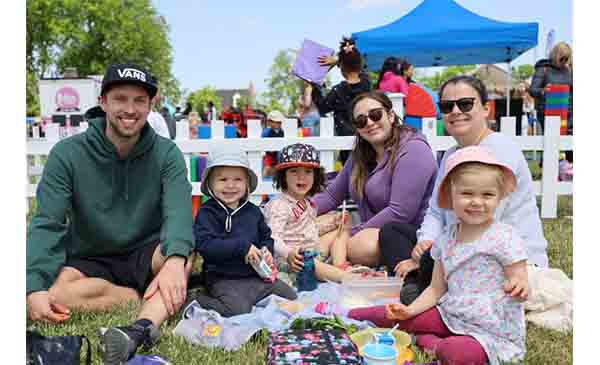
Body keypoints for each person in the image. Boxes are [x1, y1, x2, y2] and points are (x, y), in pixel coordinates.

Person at [26, 63, 195, 363]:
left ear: (150, 105)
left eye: (139, 100)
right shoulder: (67, 154)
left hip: (147, 249)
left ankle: (140, 328)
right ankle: (132, 297)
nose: (130, 109)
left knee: (182, 258)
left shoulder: (167, 154)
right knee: (56, 297)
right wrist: (33, 287)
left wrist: (175, 261)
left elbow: (179, 214)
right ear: (102, 102)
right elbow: (47, 223)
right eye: (120, 98)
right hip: (91, 255)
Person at [317, 146, 529, 365]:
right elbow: (436, 289)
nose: (477, 202)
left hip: (489, 329)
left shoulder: (505, 236)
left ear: (498, 197)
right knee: (400, 317)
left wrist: (519, 285)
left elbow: (519, 276)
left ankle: (430, 343)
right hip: (450, 314)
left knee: (458, 353)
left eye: (487, 195)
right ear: (451, 196)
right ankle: (349, 313)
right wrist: (410, 310)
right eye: (467, 193)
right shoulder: (446, 238)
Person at [395, 75, 549, 305]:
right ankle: (420, 279)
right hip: (455, 242)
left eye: (465, 104)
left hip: (503, 257)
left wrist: (433, 253)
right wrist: (425, 242)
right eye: (447, 106)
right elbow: (436, 211)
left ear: (486, 109)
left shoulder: (499, 150)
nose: (456, 111)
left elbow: (481, 222)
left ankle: (421, 285)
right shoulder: (451, 154)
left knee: (426, 263)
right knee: (391, 232)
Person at [311, 91, 438, 271]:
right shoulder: (360, 155)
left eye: (375, 115)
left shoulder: (413, 150)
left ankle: (324, 263)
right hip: (374, 231)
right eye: (361, 121)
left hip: (409, 236)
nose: (370, 123)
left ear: (391, 115)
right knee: (321, 221)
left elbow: (400, 212)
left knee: (360, 245)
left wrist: (350, 233)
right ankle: (318, 262)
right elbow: (332, 196)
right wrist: (298, 212)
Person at [188, 148, 297, 317]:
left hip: (254, 276)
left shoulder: (253, 212)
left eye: (238, 179)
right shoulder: (207, 213)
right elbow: (205, 245)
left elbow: (265, 237)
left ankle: (252, 298)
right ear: (210, 184)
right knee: (237, 310)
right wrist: (241, 247)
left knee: (290, 296)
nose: (230, 185)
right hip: (223, 277)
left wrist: (266, 250)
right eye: (223, 179)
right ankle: (197, 299)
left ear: (247, 183)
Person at [263, 143, 372, 286]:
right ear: (283, 176)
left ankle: (340, 264)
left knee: (344, 224)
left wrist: (333, 224)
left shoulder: (306, 203)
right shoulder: (280, 205)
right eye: (294, 171)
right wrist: (288, 253)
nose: (302, 177)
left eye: (308, 172)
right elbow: (273, 237)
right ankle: (345, 277)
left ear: (316, 176)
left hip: (310, 248)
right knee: (309, 261)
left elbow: (310, 230)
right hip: (290, 260)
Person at [307, 37, 371, 165]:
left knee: (349, 175)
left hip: (346, 143)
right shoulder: (366, 83)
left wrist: (315, 86)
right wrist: (338, 60)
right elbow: (361, 68)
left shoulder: (337, 91)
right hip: (366, 139)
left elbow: (323, 107)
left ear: (341, 69)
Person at [529, 42, 573, 162]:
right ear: (555, 55)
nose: (564, 61)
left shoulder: (569, 70)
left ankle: (569, 172)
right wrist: (543, 91)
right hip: (548, 113)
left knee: (569, 144)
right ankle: (547, 170)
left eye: (566, 58)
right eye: (562, 58)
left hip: (568, 113)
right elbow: (532, 90)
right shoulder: (543, 69)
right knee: (550, 143)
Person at [261, 110, 285, 178]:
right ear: (269, 122)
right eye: (276, 122)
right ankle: (263, 179)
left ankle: (276, 181)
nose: (278, 124)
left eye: (280, 122)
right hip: (269, 154)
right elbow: (262, 143)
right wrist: (268, 148)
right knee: (267, 168)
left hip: (278, 153)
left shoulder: (281, 132)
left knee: (278, 168)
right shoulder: (267, 132)